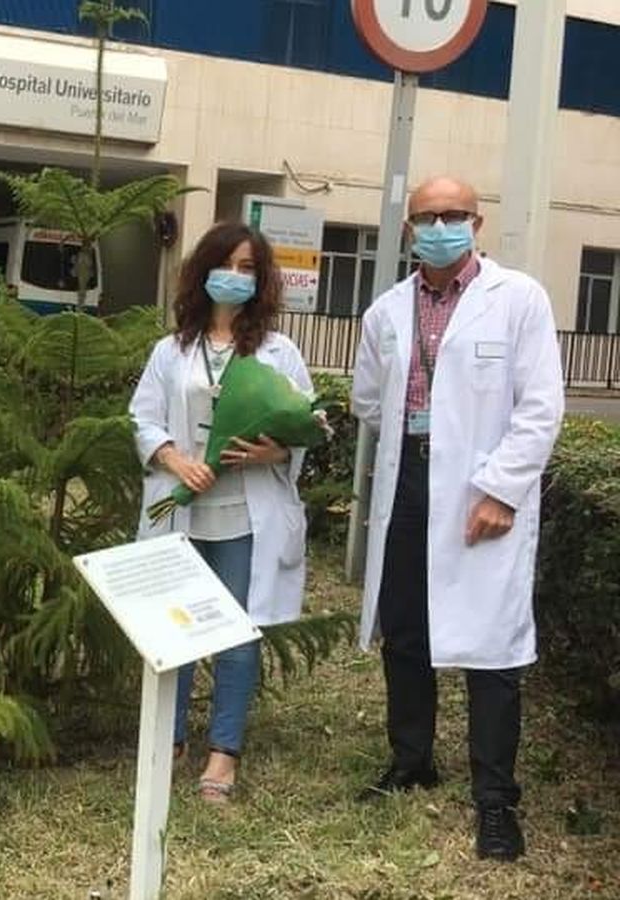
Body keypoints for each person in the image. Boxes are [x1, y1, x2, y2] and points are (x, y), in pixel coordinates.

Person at [351, 176, 563, 861]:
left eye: (452, 215)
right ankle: (412, 761)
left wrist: (501, 489)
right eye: (426, 217)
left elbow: (540, 408)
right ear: (409, 230)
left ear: (477, 221)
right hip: (409, 477)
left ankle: (496, 801)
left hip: (481, 483)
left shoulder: (518, 299)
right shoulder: (386, 310)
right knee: (406, 628)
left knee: (491, 645)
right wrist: (418, 448)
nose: (439, 225)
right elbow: (369, 401)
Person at [129, 222, 313, 803]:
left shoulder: (279, 352)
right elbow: (143, 418)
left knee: (237, 633)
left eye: (246, 269)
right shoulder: (173, 349)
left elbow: (309, 424)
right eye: (225, 264)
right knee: (175, 629)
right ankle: (170, 740)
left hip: (245, 516)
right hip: (184, 514)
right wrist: (174, 461)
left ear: (260, 281)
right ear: (202, 270)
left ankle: (223, 753)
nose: (233, 277)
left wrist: (273, 450)